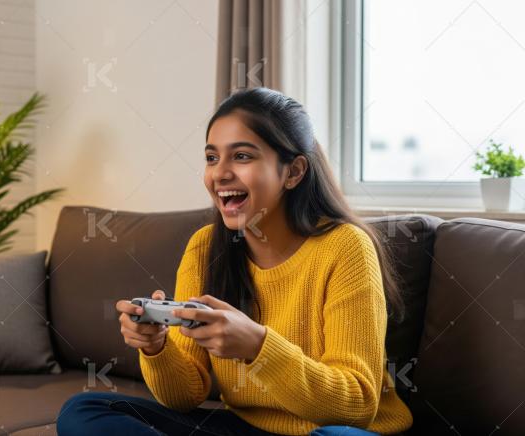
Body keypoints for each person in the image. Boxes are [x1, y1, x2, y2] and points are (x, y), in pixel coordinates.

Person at [56, 87, 414, 436]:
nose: (220, 174)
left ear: (294, 172)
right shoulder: (204, 248)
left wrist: (258, 346)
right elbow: (185, 396)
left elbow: (356, 406)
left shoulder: (345, 247)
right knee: (84, 411)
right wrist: (156, 347)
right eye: (212, 157)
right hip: (245, 427)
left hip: (333, 429)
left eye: (242, 156)